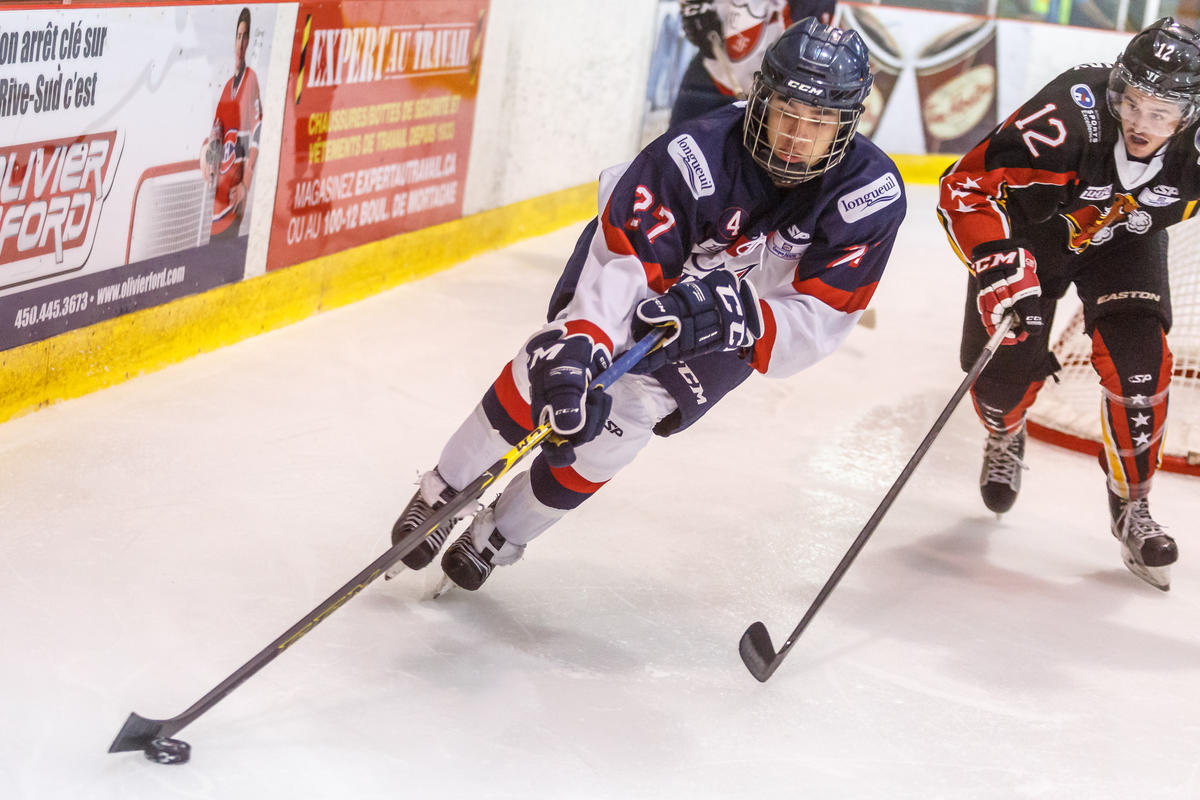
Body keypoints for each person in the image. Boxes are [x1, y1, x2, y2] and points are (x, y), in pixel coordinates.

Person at [391, 18, 906, 593]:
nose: (796, 135)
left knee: (620, 426)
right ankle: (442, 490)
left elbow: (819, 317)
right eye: (787, 110)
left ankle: (500, 534)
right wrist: (584, 343)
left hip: (738, 324)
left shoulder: (869, 194)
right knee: (554, 367)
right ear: (761, 98)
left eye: (818, 121)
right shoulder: (695, 153)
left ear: (849, 123)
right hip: (645, 275)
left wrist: (738, 317)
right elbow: (627, 264)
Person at [936, 17, 1199, 591]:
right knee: (998, 384)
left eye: (1161, 113)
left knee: (1141, 368)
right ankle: (1004, 433)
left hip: (1125, 245)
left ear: (1190, 116)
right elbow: (963, 186)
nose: (1141, 123)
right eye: (1133, 103)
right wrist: (996, 260)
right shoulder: (1065, 117)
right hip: (1032, 242)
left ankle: (1133, 505)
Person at [672, 1, 836, 126]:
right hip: (712, 75)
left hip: (767, 100)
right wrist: (693, 6)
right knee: (675, 150)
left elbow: (804, 56)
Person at [199, 7, 262, 239]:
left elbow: (258, 132)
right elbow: (216, 132)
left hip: (234, 202)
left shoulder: (251, 79)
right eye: (238, 36)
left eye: (245, 37)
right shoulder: (226, 87)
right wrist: (209, 153)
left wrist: (246, 183)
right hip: (218, 205)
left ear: (249, 41)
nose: (241, 43)